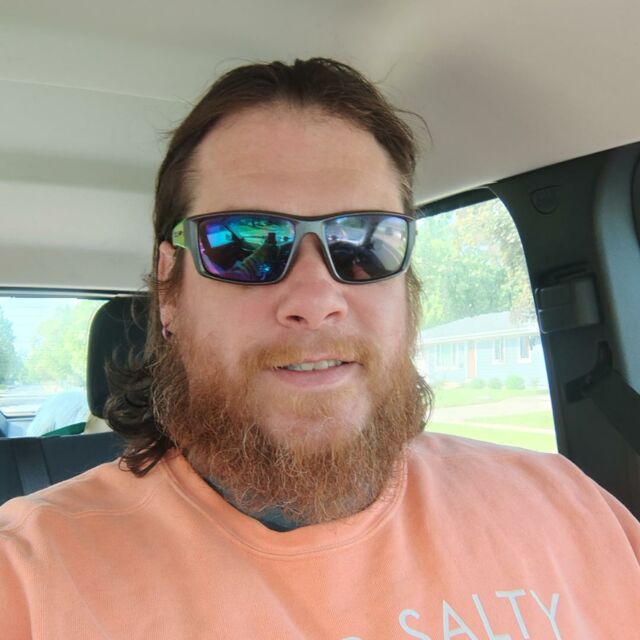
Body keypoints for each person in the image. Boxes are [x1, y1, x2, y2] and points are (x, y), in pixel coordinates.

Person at [0, 58, 638, 639]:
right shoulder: (27, 581)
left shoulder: (568, 507)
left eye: (365, 242)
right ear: (170, 288)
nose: (315, 298)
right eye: (243, 243)